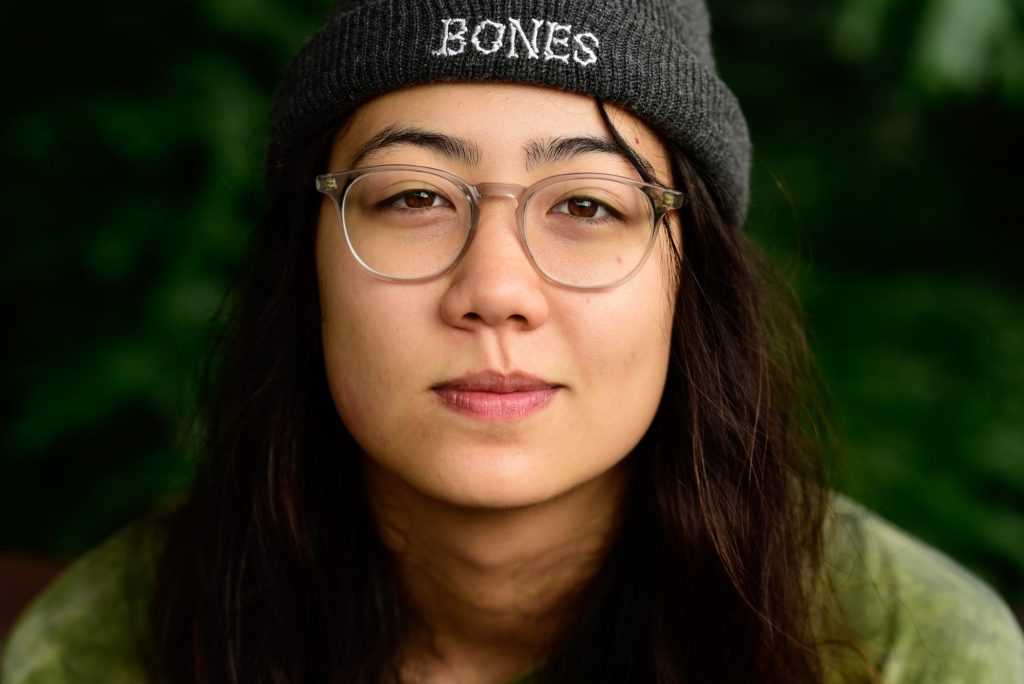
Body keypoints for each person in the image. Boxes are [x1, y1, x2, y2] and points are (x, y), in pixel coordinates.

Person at [3, 1, 1023, 682]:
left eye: (586, 204)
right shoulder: (113, 644)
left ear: (690, 285)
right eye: (413, 197)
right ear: (304, 267)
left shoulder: (908, 652)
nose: (494, 290)